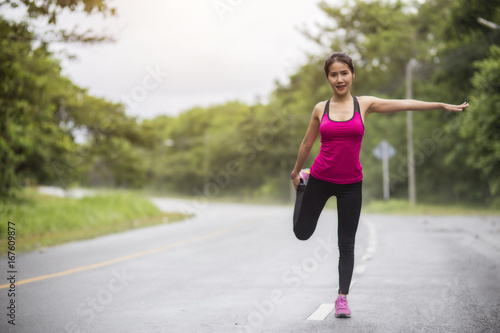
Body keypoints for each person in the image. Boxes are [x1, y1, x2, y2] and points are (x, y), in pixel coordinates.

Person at [291, 52, 468, 318]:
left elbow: (405, 103)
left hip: (351, 183)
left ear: (352, 74)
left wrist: (440, 105)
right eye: (333, 74)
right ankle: (304, 185)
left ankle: (342, 298)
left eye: (344, 73)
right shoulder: (320, 108)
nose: (339, 79)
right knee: (302, 233)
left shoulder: (365, 104)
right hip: (320, 178)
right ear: (328, 77)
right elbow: (307, 143)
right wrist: (296, 173)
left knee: (346, 244)